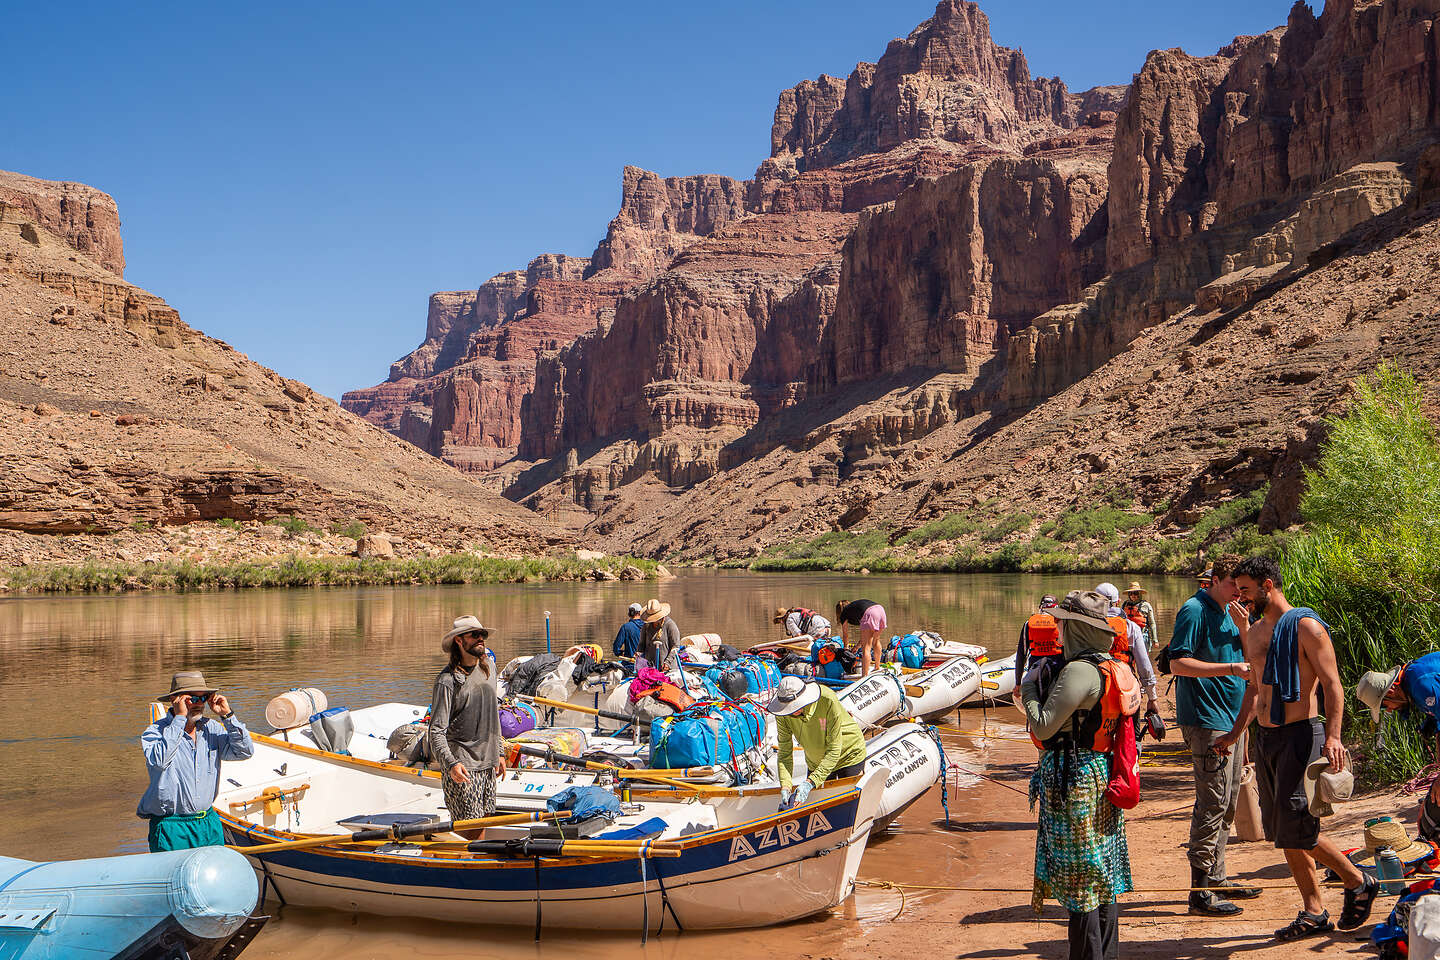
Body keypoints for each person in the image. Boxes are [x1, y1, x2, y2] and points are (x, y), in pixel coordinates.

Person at [1216, 556, 1378, 942]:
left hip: (1302, 735)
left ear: (1268, 585)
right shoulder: (1254, 631)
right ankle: (1314, 911)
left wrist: (1334, 737)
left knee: (1297, 825)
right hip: (1267, 738)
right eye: (1238, 591)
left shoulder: (1307, 626)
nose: (1241, 597)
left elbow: (1333, 684)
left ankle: (1358, 881)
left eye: (1246, 590)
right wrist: (1236, 734)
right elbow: (1255, 689)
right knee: (1281, 830)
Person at [1024, 590, 1134, 960]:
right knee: (1101, 873)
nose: (1056, 629)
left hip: (1075, 781)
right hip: (1099, 771)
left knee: (1080, 880)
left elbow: (1043, 726)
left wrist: (1029, 689)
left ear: (1076, 628)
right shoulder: (1110, 665)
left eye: (1062, 623)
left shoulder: (1079, 671)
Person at [1163, 554, 1261, 916]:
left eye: (1243, 586)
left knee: (1228, 801)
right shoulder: (1195, 610)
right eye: (1234, 584)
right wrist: (1230, 668)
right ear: (1215, 580)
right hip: (1206, 720)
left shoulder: (1233, 613)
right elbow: (1177, 663)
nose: (1240, 592)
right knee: (1212, 802)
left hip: (1232, 721)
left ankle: (1217, 878)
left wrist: (1245, 626)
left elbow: (1253, 663)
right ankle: (1200, 890)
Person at [137, 671, 254, 852]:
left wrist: (228, 716)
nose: (199, 704)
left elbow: (244, 752)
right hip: (172, 827)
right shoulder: (155, 732)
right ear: (175, 700)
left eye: (203, 698)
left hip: (208, 823)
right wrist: (179, 719)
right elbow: (159, 762)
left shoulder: (211, 728)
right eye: (192, 698)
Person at [429, 616, 505, 835]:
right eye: (474, 635)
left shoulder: (489, 668)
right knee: (470, 832)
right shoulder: (447, 680)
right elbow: (436, 731)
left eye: (482, 634)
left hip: (488, 764)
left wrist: (499, 753)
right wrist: (451, 764)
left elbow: (493, 714)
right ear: (459, 641)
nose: (481, 638)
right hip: (462, 766)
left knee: (485, 825)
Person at [1357, 652, 1440, 841]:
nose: (1389, 709)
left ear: (1392, 689)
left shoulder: (1420, 683)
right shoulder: (1412, 682)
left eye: (1385, 704)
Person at [767, 675, 867, 809]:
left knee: (850, 805)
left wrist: (810, 782)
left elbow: (834, 750)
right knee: (819, 807)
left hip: (848, 754)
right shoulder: (782, 712)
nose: (792, 712)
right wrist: (785, 785)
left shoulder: (827, 699)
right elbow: (785, 752)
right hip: (816, 761)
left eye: (795, 707)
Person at [1096, 582, 1160, 718]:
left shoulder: (1086, 626)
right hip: (1125, 684)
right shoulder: (1131, 627)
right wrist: (1152, 698)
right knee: (1130, 727)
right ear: (1118, 602)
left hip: (1097, 685)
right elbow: (1144, 666)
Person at [1014, 595, 1061, 687]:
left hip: (1035, 670)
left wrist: (1018, 683)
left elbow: (1021, 655)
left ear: (1040, 607)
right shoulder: (1061, 623)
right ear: (1056, 608)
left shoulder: (1028, 624)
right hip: (1057, 669)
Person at [835, 598, 888, 676]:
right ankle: (877, 667)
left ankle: (864, 676)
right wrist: (857, 647)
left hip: (870, 613)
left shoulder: (844, 613)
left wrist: (846, 649)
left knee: (866, 648)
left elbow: (845, 635)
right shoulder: (855, 608)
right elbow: (866, 636)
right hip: (880, 610)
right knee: (876, 641)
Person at [638, 598, 681, 668]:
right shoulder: (646, 625)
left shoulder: (670, 625)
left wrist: (667, 662)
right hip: (650, 665)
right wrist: (639, 653)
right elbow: (641, 644)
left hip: (667, 667)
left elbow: (675, 646)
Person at [1122, 582, 1158, 649]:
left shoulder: (1146, 605)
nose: (1133, 595)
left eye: (1135, 593)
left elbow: (1152, 623)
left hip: (1142, 636)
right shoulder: (1125, 604)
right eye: (1131, 593)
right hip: (1128, 637)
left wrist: (1155, 640)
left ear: (1140, 594)